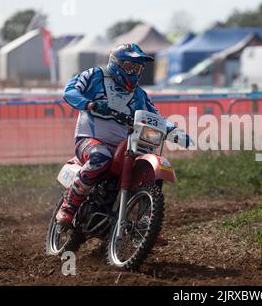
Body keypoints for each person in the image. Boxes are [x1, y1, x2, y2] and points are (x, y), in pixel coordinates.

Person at [56, 43, 190, 227]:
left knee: (151, 171)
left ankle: (147, 223)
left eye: (138, 67)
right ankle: (68, 207)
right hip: (89, 140)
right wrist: (89, 104)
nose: (134, 71)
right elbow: (70, 91)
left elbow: (156, 118)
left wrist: (175, 132)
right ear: (116, 63)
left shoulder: (140, 95)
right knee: (100, 157)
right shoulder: (95, 75)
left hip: (124, 146)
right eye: (129, 66)